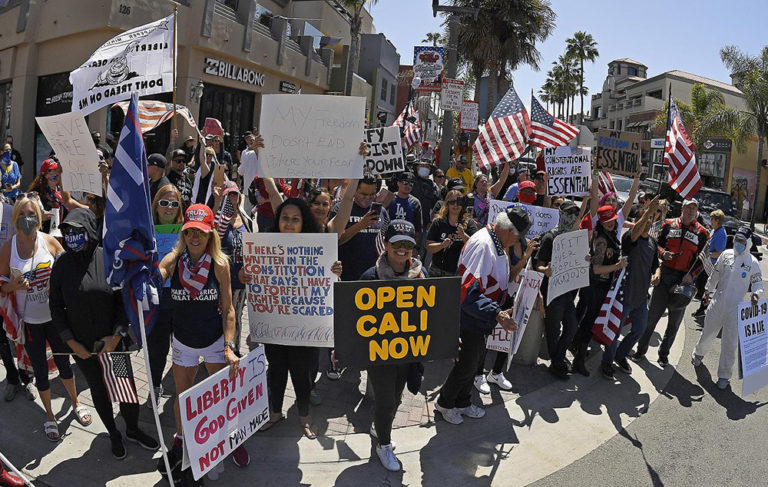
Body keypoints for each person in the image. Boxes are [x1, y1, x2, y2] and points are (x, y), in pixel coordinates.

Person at [50, 208, 159, 459]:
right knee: (99, 390)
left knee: (125, 386)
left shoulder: (109, 259)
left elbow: (123, 300)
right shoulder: (62, 265)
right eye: (67, 232)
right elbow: (55, 306)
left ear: (89, 231)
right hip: (83, 347)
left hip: (114, 344)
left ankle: (132, 429)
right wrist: (70, 341)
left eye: (77, 231)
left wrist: (118, 335)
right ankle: (113, 433)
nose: (71, 236)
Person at [157, 203, 247, 476]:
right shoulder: (173, 261)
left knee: (218, 398)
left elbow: (229, 309)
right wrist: (147, 277)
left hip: (213, 340)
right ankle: (182, 439)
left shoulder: (220, 265)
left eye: (201, 233)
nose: (195, 238)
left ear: (211, 235)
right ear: (183, 234)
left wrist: (230, 347)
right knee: (183, 397)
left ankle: (226, 439)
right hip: (183, 339)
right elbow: (157, 275)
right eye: (190, 232)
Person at [0, 195, 87, 441]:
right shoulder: (9, 247)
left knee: (64, 365)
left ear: (38, 218)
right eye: (21, 216)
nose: (26, 220)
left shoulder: (49, 241)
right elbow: (1, 284)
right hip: (29, 323)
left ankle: (76, 402)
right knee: (39, 370)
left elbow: (69, 268)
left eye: (31, 215)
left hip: (54, 319)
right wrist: (13, 286)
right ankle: (49, 415)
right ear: (15, 219)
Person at [434, 207, 528, 425]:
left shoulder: (496, 242)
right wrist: (497, 313)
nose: (517, 242)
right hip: (470, 317)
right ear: (509, 231)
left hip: (481, 316)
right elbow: (467, 292)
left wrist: (504, 306)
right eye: (518, 237)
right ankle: (445, 403)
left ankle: (463, 402)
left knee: (474, 361)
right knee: (467, 364)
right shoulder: (484, 245)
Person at [257, 198, 341, 439]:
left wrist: (335, 273)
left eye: (295, 219)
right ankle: (275, 412)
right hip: (274, 324)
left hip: (306, 327)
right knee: (276, 370)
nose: (290, 224)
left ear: (303, 221)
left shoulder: (318, 247)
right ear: (277, 220)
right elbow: (252, 278)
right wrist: (245, 275)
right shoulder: (265, 245)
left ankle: (304, 415)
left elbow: (332, 287)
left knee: (302, 372)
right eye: (285, 218)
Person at [360, 219, 426, 471]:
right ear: (386, 244)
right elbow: (353, 316)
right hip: (379, 353)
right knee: (386, 401)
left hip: (408, 351)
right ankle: (383, 445)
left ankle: (380, 427)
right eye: (396, 243)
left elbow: (430, 314)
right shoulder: (370, 276)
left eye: (407, 245)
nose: (402, 249)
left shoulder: (421, 276)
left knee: (397, 398)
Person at [633, 198, 709, 367]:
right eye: (688, 208)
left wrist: (692, 276)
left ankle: (664, 355)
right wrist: (663, 254)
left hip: (684, 281)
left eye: (694, 209)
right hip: (665, 275)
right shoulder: (667, 224)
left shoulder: (702, 232)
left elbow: (704, 259)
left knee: (673, 324)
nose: (690, 211)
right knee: (651, 318)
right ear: (682, 209)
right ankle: (640, 350)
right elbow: (655, 244)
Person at [692, 226, 763, 390]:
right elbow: (715, 275)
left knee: (729, 343)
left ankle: (724, 376)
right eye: (737, 239)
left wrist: (756, 295)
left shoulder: (752, 262)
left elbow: (758, 283)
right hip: (718, 302)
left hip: (735, 308)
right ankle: (698, 354)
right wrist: (707, 291)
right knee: (708, 331)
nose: (739, 243)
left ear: (748, 242)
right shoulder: (726, 254)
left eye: (742, 241)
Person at [600, 197, 660, 380]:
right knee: (615, 331)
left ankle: (620, 355)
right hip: (625, 295)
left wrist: (657, 274)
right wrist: (649, 211)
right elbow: (634, 234)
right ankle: (607, 362)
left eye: (650, 221)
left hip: (641, 298)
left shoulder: (652, 242)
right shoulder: (629, 238)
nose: (648, 223)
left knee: (640, 329)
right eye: (645, 220)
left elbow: (655, 265)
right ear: (636, 222)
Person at [571, 205, 627, 377]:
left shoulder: (609, 236)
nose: (611, 224)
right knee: (588, 322)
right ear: (601, 223)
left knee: (589, 321)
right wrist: (617, 266)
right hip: (595, 286)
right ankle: (578, 360)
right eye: (607, 222)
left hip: (600, 286)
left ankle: (576, 347)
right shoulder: (602, 240)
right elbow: (596, 269)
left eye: (612, 221)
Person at [534, 201, 583, 380]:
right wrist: (545, 271)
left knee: (572, 326)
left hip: (567, 292)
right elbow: (537, 265)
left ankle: (559, 357)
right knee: (553, 330)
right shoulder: (550, 237)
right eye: (568, 214)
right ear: (561, 215)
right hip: (552, 292)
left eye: (575, 214)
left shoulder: (576, 238)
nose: (571, 218)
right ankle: (557, 363)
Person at [146, 184, 184, 406]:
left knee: (181, 348)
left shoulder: (187, 230)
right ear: (156, 205)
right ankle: (155, 386)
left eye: (174, 203)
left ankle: (182, 389)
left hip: (180, 298)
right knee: (157, 349)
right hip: (156, 297)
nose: (169, 207)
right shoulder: (147, 229)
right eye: (164, 202)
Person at [212, 180, 253, 355]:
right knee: (222, 314)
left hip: (241, 276)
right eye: (228, 194)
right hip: (223, 277)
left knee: (237, 313)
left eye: (235, 194)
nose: (232, 198)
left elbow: (253, 247)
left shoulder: (246, 219)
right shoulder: (217, 220)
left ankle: (234, 349)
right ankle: (217, 352)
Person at [425, 189, 477, 277]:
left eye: (458, 202)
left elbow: (475, 246)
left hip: (458, 272)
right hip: (436, 271)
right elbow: (429, 247)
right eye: (452, 202)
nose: (455, 205)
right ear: (447, 204)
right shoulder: (438, 222)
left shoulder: (469, 223)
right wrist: (442, 245)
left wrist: (463, 235)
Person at [693, 209, 727, 317]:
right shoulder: (714, 230)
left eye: (712, 219)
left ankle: (702, 309)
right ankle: (702, 307)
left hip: (712, 265)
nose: (710, 221)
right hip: (706, 263)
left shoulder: (721, 234)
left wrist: (707, 254)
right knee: (701, 286)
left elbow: (719, 253)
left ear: (718, 220)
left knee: (705, 288)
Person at [386, 171, 423, 245]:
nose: (408, 186)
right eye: (405, 182)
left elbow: (418, 229)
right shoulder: (389, 198)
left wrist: (416, 247)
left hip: (407, 241)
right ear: (398, 183)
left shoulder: (415, 202)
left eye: (411, 183)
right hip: (390, 240)